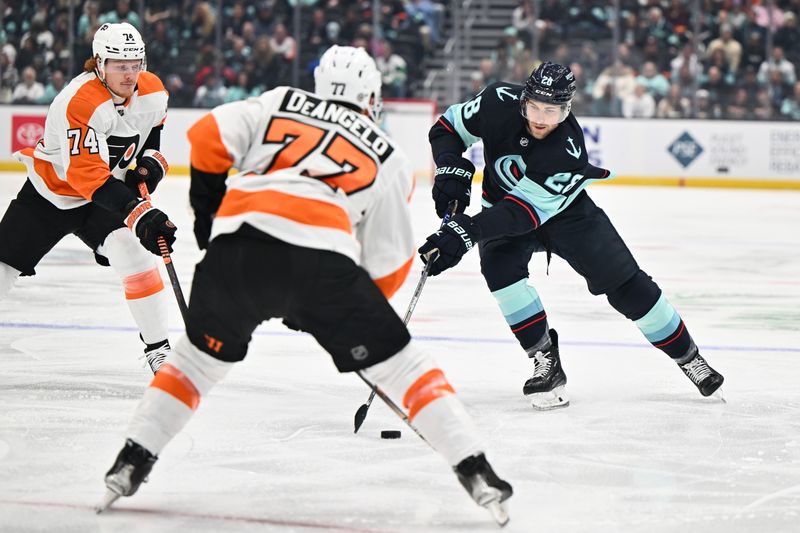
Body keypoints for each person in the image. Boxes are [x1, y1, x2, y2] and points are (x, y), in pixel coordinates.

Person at [98, 46, 512, 522]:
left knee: (194, 363)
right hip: (324, 266)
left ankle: (130, 463)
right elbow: (389, 263)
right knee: (404, 367)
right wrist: (335, 312)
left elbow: (207, 136)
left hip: (238, 254)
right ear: (372, 98)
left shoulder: (278, 101)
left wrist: (209, 228)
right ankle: (477, 470)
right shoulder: (389, 154)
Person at [421, 61, 724, 410]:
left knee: (627, 285)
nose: (540, 118)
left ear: (567, 109)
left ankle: (689, 357)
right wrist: (449, 165)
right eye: (534, 106)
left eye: (551, 111)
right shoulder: (497, 100)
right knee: (501, 276)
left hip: (565, 215)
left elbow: (523, 214)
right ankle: (545, 360)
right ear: (523, 99)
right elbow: (447, 128)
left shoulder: (568, 149)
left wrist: (468, 231)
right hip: (501, 208)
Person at [0, 22, 177, 373]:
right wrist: (138, 213)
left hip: (101, 198)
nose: (130, 74)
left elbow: (152, 133)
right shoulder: (79, 101)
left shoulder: (154, 91)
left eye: (135, 64)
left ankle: (159, 349)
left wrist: (151, 164)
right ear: (99, 63)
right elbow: (86, 176)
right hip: (50, 195)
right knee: (2, 266)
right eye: (119, 65)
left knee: (137, 256)